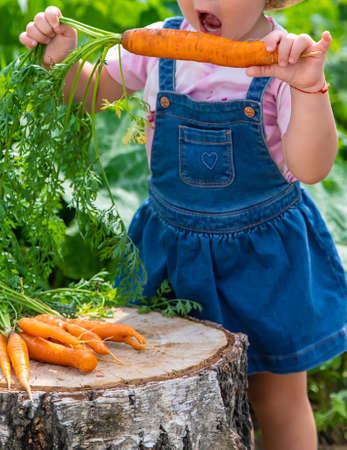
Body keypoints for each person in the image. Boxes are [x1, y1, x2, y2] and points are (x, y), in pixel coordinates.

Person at [20, 1, 346, 448]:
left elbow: (312, 167)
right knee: (192, 394)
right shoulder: (155, 46)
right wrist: (62, 57)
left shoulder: (284, 57)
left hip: (263, 259)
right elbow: (88, 95)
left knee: (277, 396)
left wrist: (310, 88)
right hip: (173, 251)